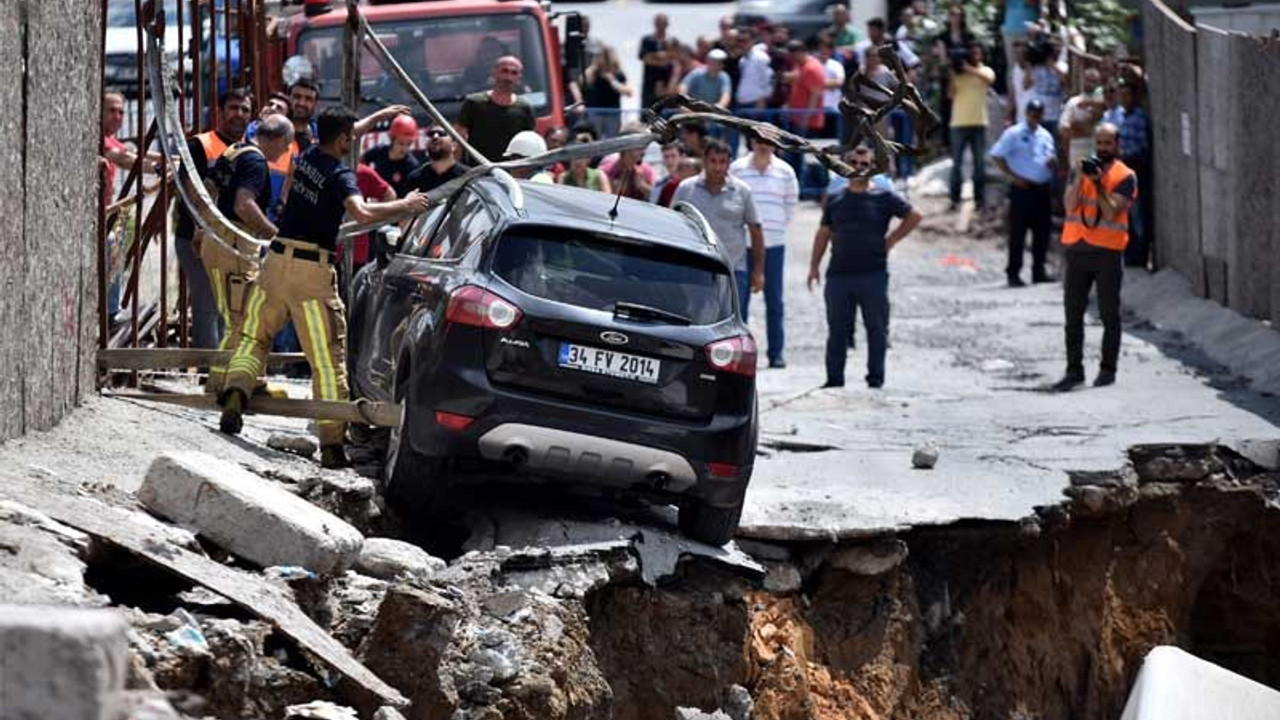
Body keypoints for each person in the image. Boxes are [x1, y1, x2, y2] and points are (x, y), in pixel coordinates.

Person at [219, 107, 432, 468]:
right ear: (344, 140)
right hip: (311, 274)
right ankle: (333, 445)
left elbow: (341, 131)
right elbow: (362, 214)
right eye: (351, 136)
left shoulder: (308, 155)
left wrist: (379, 116)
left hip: (276, 263)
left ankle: (236, 393)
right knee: (327, 359)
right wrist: (406, 205)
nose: (354, 140)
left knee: (254, 337)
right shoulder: (341, 175)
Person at [808, 146, 921, 389]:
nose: (858, 168)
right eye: (853, 163)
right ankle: (834, 380)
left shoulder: (884, 197)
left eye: (864, 164)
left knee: (876, 329)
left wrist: (891, 240)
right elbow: (823, 232)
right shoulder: (836, 200)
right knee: (837, 331)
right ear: (844, 166)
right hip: (839, 275)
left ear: (872, 167)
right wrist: (814, 266)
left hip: (873, 274)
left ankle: (875, 380)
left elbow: (914, 216)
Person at [202, 115, 296, 394]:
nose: (286, 151)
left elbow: (207, 191)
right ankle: (231, 384)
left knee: (235, 318)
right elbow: (244, 205)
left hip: (218, 240)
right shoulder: (256, 162)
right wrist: (273, 234)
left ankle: (228, 380)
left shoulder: (233, 150)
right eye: (287, 145)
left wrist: (205, 226)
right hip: (235, 246)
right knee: (241, 320)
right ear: (278, 139)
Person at [1053, 123, 1136, 391]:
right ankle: (1074, 371)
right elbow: (1069, 205)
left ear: (1117, 145)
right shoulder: (1081, 169)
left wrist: (1099, 183)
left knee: (1109, 315)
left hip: (1107, 253)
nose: (1102, 149)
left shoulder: (1125, 176)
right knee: (1073, 315)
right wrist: (1079, 177)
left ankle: (1107, 370)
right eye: (1098, 143)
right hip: (1077, 249)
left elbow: (1111, 212)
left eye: (1107, 143)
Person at [176, 90, 253, 350]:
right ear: (220, 111)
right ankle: (209, 366)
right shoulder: (200, 145)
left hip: (232, 242)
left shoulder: (249, 149)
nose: (239, 114)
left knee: (230, 304)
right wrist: (201, 228)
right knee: (208, 301)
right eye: (233, 108)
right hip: (197, 237)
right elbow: (189, 192)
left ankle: (224, 364)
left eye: (244, 110)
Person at [673, 138, 765, 315]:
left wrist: (758, 271)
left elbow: (756, 230)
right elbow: (673, 224)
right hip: (694, 268)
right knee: (693, 319)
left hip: (733, 270)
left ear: (729, 163)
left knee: (733, 322)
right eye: (713, 161)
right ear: (704, 161)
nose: (717, 167)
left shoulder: (742, 191)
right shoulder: (686, 189)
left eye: (722, 162)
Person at [731, 139, 798, 368]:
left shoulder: (786, 171)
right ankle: (739, 353)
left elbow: (790, 206)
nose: (763, 144)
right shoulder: (738, 168)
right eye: (760, 139)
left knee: (775, 302)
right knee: (740, 302)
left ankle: (776, 354)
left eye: (769, 140)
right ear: (751, 141)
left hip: (774, 244)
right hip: (743, 244)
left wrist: (774, 228)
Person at [990, 99, 1056, 286]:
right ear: (1027, 113)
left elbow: (1050, 156)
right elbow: (997, 155)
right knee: (1018, 233)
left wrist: (1052, 163)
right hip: (1022, 189)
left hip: (1042, 189)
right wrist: (1013, 177)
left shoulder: (1045, 135)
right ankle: (1013, 273)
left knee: (1042, 232)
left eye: (1038, 114)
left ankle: (1039, 270)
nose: (1035, 117)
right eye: (1032, 113)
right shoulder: (1014, 133)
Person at [1104, 81, 1152, 268]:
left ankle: (1141, 255)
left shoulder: (1139, 118)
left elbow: (1142, 148)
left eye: (1127, 95)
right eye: (1121, 95)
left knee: (1138, 214)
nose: (1124, 99)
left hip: (1135, 169)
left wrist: (1124, 156)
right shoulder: (1122, 117)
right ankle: (1130, 254)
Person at [456, 56, 536, 163]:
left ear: (519, 78)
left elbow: (529, 144)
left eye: (514, 73)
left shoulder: (525, 108)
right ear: (494, 73)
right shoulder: (474, 103)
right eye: (504, 71)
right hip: (478, 170)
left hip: (511, 172)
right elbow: (459, 139)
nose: (508, 77)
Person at [947, 42, 996, 211]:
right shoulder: (959, 74)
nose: (976, 56)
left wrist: (969, 69)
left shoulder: (985, 70)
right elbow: (950, 94)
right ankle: (954, 199)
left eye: (978, 53)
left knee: (979, 164)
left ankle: (979, 199)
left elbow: (989, 80)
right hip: (958, 123)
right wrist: (953, 74)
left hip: (979, 123)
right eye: (972, 53)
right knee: (956, 164)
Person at [1058, 68, 1106, 174]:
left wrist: (1079, 125)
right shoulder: (1073, 102)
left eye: (1093, 81)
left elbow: (1103, 109)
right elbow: (1064, 129)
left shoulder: (1104, 101)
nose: (1090, 83)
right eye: (1087, 80)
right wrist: (1086, 130)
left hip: (1098, 151)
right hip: (1077, 152)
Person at [361, 115, 421, 198]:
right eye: (401, 143)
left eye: (409, 144)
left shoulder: (411, 166)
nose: (404, 148)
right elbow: (362, 162)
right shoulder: (379, 151)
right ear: (392, 139)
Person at [584, 45, 632, 139]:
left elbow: (629, 92)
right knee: (594, 139)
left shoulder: (618, 73)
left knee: (611, 140)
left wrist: (612, 81)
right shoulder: (593, 72)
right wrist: (593, 67)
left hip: (612, 112)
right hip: (595, 112)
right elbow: (584, 83)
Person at [406, 124, 468, 193]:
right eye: (431, 134)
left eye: (442, 134)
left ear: (454, 145)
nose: (435, 136)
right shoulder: (415, 179)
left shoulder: (467, 177)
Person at [600, 123, 655, 201]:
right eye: (639, 147)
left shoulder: (647, 171)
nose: (643, 151)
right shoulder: (607, 170)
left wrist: (642, 186)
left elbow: (656, 199)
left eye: (644, 146)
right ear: (625, 147)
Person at [639, 14, 675, 110]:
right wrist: (660, 57)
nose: (660, 26)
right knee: (647, 114)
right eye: (658, 23)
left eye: (663, 23)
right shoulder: (647, 40)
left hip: (666, 85)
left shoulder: (672, 41)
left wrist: (657, 57)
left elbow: (675, 59)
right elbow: (644, 57)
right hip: (649, 84)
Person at [287, 78, 321, 148]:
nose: (301, 103)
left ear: (316, 104)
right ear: (289, 99)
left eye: (308, 99)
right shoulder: (274, 131)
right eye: (297, 97)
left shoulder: (321, 136)